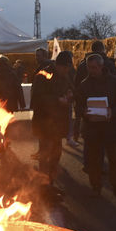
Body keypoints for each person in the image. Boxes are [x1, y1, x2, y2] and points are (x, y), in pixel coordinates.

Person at [77, 53, 116, 197]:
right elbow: (78, 105)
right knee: (94, 161)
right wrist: (84, 113)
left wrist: (113, 111)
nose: (91, 71)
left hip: (111, 128)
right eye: (89, 67)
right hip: (92, 129)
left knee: (114, 160)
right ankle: (95, 187)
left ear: (101, 67)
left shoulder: (114, 82)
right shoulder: (84, 85)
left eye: (94, 68)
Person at [32, 51, 74, 195]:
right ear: (59, 65)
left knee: (56, 155)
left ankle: (50, 184)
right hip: (44, 124)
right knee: (45, 156)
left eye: (68, 68)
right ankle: (43, 187)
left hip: (57, 124)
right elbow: (38, 98)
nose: (67, 71)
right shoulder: (43, 75)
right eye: (65, 68)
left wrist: (70, 95)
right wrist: (57, 100)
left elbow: (70, 88)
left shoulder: (64, 76)